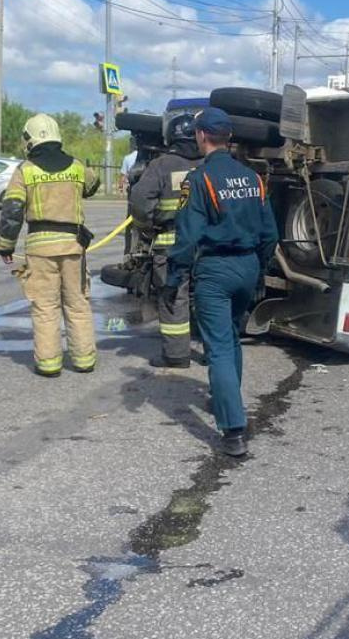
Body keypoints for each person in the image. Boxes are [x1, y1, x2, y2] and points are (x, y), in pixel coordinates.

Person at [166, 108, 278, 457]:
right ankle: (228, 400)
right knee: (230, 337)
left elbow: (186, 236)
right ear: (228, 138)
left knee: (217, 348)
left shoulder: (198, 180)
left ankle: (233, 430)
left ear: (201, 136)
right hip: (247, 267)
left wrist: (174, 277)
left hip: (215, 270)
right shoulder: (253, 178)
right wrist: (259, 270)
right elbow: (270, 233)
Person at [0, 114, 101, 377]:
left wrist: (5, 246)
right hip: (73, 247)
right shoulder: (77, 167)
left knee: (45, 307)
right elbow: (93, 185)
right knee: (77, 304)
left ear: (29, 140)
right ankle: (84, 360)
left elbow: (12, 211)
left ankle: (49, 364)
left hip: (40, 250)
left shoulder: (25, 170)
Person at [128, 112, 202, 368]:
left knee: (173, 300)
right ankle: (213, 353)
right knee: (209, 298)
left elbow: (139, 201)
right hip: (207, 245)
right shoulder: (209, 163)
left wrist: (146, 227)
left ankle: (177, 355)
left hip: (170, 243)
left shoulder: (161, 165)